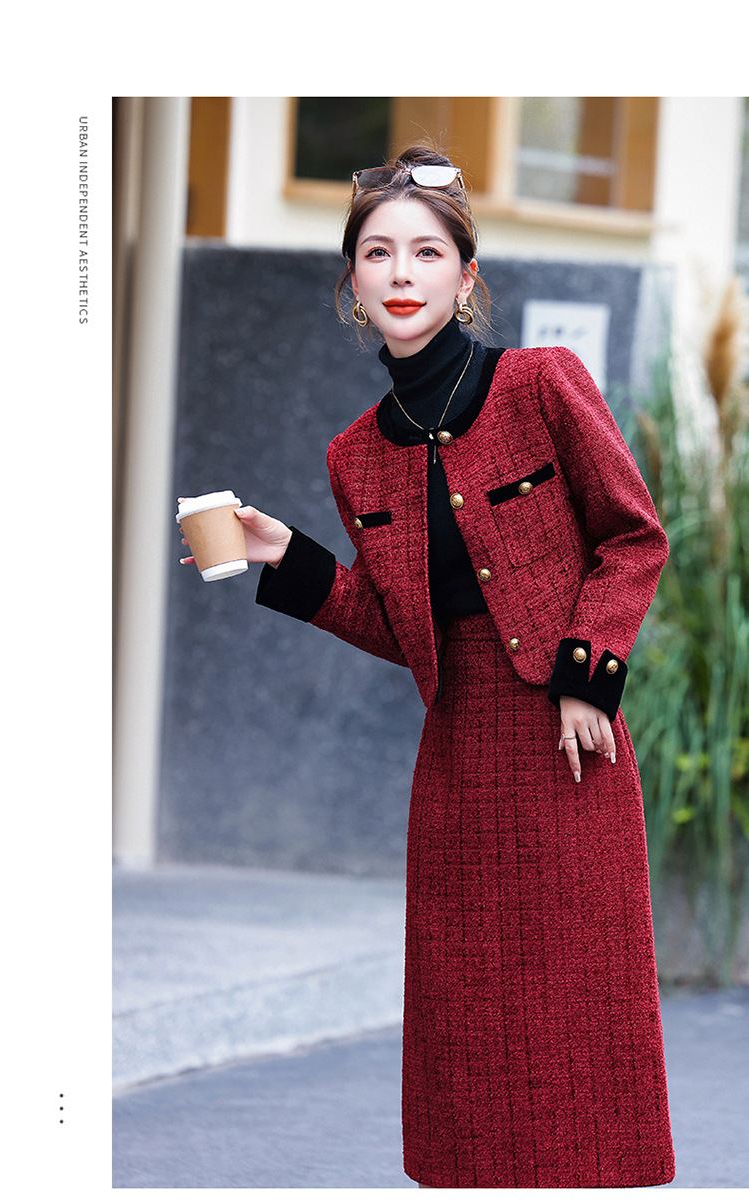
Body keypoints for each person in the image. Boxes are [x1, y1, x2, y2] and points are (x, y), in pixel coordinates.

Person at [179, 144, 676, 1190]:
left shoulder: (541, 384)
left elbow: (633, 536)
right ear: (352, 284)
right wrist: (288, 557)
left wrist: (588, 675)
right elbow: (397, 623)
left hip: (569, 749)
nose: (401, 273)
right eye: (377, 253)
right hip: (455, 768)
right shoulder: (354, 454)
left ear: (466, 274)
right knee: (468, 1027)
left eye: (426, 252)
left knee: (578, 1021)